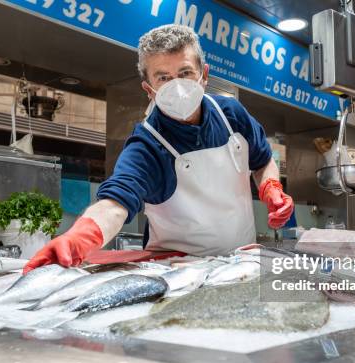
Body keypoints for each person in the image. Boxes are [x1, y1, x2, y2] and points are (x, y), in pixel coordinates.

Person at [23, 24, 294, 273]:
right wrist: (78, 238)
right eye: (163, 77)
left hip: (241, 262)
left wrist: (270, 187)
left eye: (185, 73)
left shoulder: (231, 115)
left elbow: (262, 160)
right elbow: (115, 204)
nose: (177, 85)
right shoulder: (147, 145)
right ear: (149, 89)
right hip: (178, 270)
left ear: (204, 75)